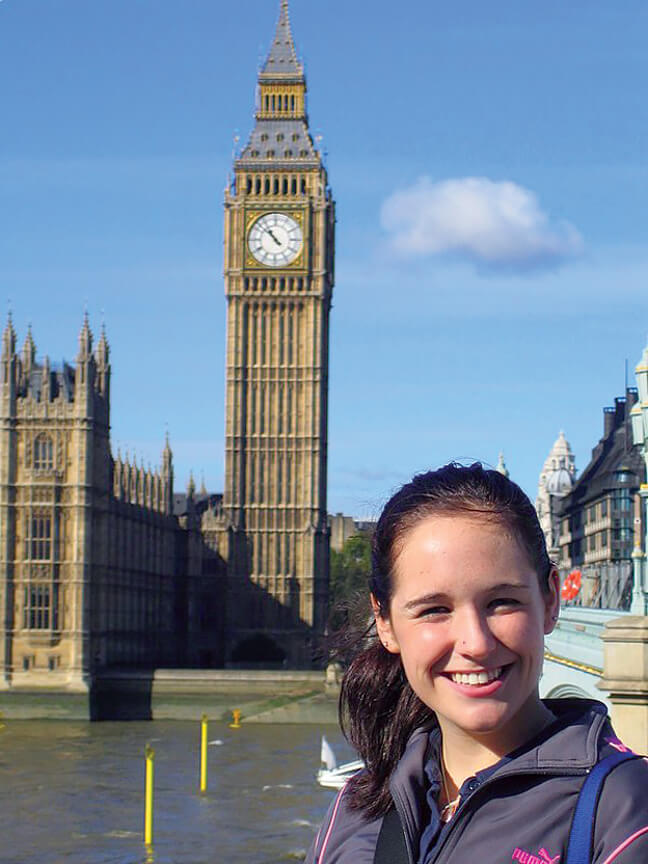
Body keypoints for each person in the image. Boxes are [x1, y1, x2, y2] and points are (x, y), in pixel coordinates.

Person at [307, 463, 648, 864]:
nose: (476, 643)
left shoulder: (623, 814)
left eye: (502, 602)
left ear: (550, 601)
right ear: (385, 624)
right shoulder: (354, 812)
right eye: (434, 610)